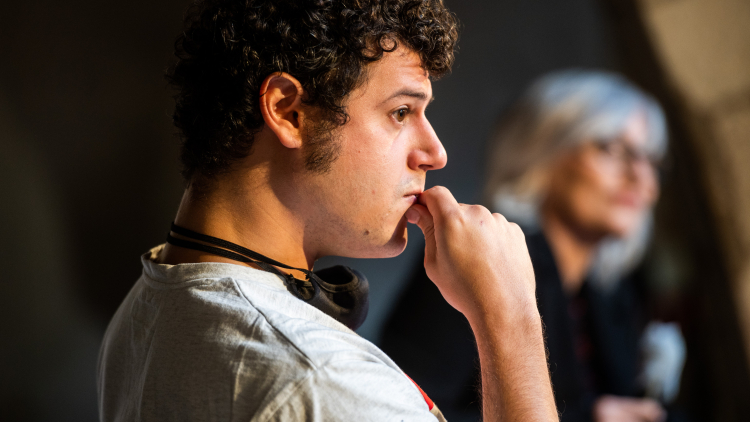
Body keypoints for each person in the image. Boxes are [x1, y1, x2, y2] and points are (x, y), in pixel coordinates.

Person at [96, 1, 559, 421]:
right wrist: (510, 318)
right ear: (288, 111)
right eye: (401, 112)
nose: (435, 153)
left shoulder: (149, 302)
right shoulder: (325, 380)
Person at [381, 70, 683, 422]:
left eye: (652, 160)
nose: (641, 178)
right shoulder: (476, 258)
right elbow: (400, 411)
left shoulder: (612, 292)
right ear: (544, 151)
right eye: (614, 149)